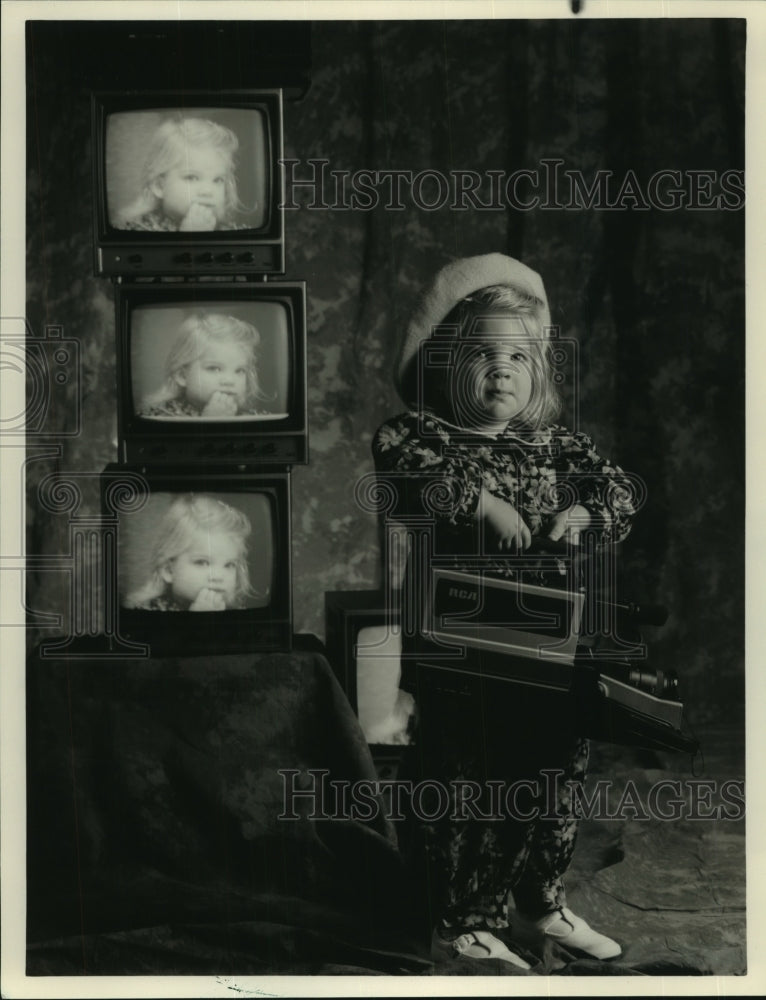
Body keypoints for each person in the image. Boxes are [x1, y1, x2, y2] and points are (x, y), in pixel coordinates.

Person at [372, 253, 636, 967]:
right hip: (460, 651)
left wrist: (581, 511)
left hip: (548, 647)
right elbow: (400, 478)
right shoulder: (420, 437)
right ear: (440, 363)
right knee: (465, 783)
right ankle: (461, 919)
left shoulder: (557, 449)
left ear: (539, 370)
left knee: (556, 772)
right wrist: (480, 501)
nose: (501, 368)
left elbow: (618, 493)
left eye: (517, 355)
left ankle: (535, 904)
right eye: (481, 353)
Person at [124, 494, 257, 611]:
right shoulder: (148, 609)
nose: (218, 576)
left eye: (229, 565)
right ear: (169, 570)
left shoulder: (234, 609)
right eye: (202, 562)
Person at [114, 117, 246, 231]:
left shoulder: (231, 230)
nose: (208, 191)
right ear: (159, 186)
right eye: (192, 177)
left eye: (218, 180)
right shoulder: (138, 228)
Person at [139, 312, 268, 418]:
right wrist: (211, 421)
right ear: (182, 376)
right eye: (214, 369)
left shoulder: (253, 417)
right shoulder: (161, 416)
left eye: (239, 371)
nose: (230, 381)